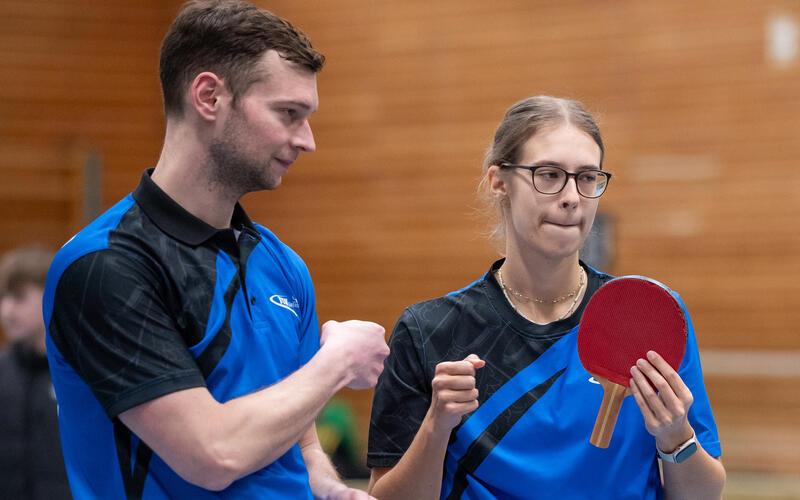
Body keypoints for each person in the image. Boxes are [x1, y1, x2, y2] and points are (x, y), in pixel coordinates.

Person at [43, 1, 389, 498]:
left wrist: (325, 486)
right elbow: (212, 454)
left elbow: (297, 433)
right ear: (209, 97)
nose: (307, 140)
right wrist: (336, 363)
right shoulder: (106, 266)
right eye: (288, 113)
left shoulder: (281, 264)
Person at [367, 96, 726, 499]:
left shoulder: (649, 318)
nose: (572, 196)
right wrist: (436, 426)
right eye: (549, 174)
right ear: (498, 181)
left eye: (587, 177)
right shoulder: (427, 331)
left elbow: (703, 494)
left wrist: (675, 437)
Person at [0, 246, 71, 500]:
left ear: (49, 296)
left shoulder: (80, 375)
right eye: (2, 298)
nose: (6, 311)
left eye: (19, 298)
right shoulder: (3, 372)